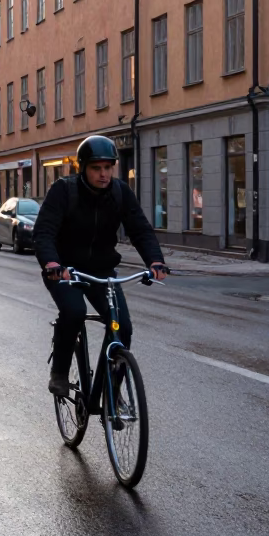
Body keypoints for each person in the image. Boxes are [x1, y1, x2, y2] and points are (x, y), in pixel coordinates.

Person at [32, 135, 168, 397]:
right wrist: (52, 263)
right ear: (82, 167)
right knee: (73, 312)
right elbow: (44, 231)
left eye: (108, 167)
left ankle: (111, 388)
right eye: (96, 168)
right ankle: (59, 372)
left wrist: (155, 260)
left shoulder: (120, 193)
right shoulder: (63, 190)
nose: (104, 174)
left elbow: (140, 229)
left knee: (122, 326)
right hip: (65, 270)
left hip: (102, 271)